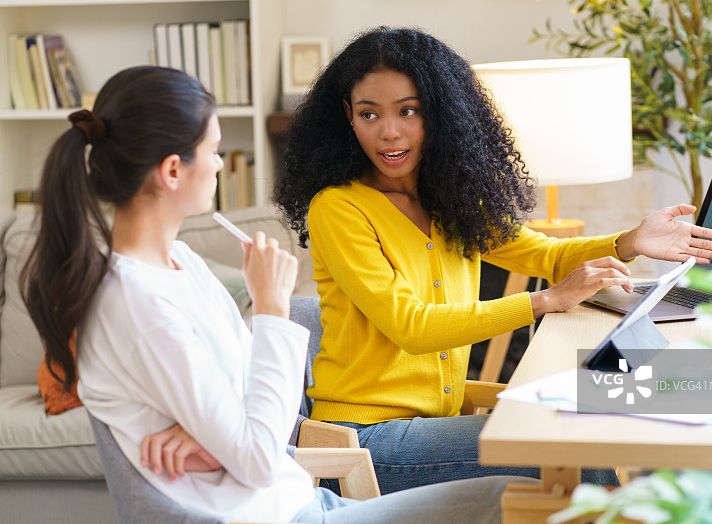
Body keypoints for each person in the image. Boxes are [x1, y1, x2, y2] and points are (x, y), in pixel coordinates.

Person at [21, 65, 531, 524]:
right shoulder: (139, 305)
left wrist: (214, 440)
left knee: (534, 483)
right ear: (173, 170)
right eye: (214, 151)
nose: (221, 165)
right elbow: (261, 456)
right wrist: (269, 310)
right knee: (538, 491)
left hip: (300, 499)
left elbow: (259, 412)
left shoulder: (183, 265)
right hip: (278, 513)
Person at [276, 26, 712, 494]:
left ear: (440, 114)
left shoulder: (446, 199)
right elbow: (411, 326)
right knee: (578, 450)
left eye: (408, 111)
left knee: (612, 421)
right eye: (368, 113)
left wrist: (631, 241)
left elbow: (545, 253)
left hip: (431, 426)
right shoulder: (338, 208)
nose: (388, 132)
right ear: (347, 118)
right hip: (364, 446)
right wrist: (545, 302)